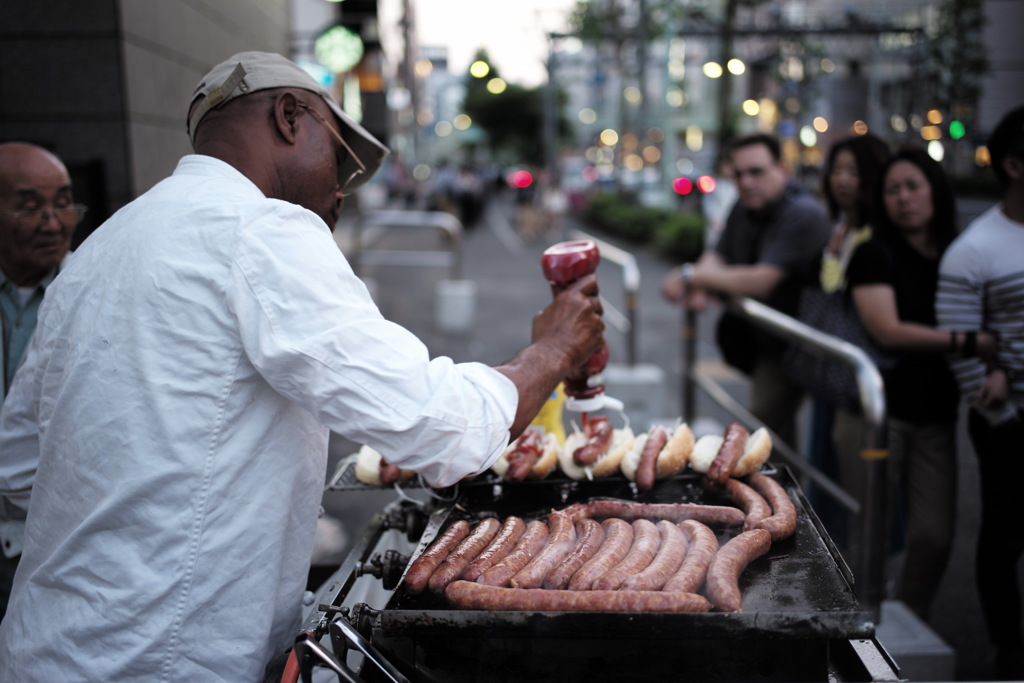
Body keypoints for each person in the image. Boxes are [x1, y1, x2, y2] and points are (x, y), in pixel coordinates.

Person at [0, 52, 605, 681]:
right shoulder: (262, 225)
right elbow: (443, 428)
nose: (339, 188)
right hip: (160, 660)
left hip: (41, 648)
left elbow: (19, 462)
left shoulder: (100, 247)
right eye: (338, 158)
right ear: (291, 117)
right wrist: (555, 349)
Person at [844, 147, 994, 622]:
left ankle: (908, 619)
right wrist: (972, 343)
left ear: (935, 190)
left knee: (934, 535)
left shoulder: (961, 252)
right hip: (880, 415)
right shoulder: (873, 254)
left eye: (913, 186)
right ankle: (862, 623)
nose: (904, 198)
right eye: (892, 190)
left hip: (936, 414)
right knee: (873, 532)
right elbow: (887, 330)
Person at [661, 133, 830, 447]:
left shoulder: (804, 213)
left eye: (756, 171)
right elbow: (717, 255)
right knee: (772, 437)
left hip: (809, 345)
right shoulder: (745, 204)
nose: (747, 181)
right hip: (772, 343)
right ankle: (784, 493)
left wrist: (691, 276)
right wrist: (700, 277)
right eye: (738, 174)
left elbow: (760, 280)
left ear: (781, 167)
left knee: (770, 434)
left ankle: (787, 494)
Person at [936, 105, 1024, 679]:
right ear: (1015, 165)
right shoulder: (975, 248)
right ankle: (1008, 650)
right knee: (1004, 538)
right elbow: (960, 344)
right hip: (1011, 423)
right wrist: (1002, 410)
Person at [0, 142, 84, 623]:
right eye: (30, 206)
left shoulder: (90, 288)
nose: (53, 222)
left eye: (63, 202)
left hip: (53, 548)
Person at [800, 134, 891, 542]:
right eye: (836, 170)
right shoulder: (842, 226)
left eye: (853, 171)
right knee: (826, 461)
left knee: (854, 470)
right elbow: (830, 284)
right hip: (833, 369)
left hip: (859, 367)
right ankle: (836, 553)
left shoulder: (878, 232)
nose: (842, 180)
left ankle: (865, 567)